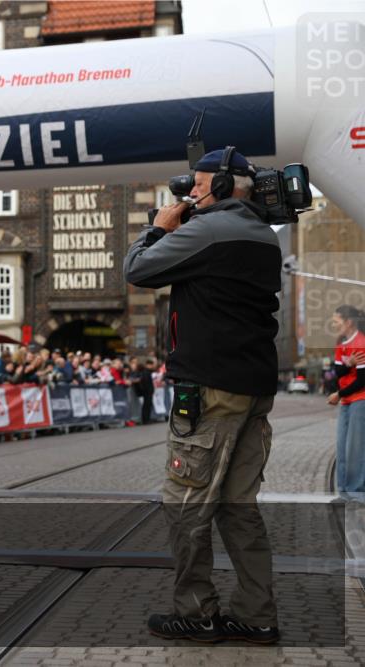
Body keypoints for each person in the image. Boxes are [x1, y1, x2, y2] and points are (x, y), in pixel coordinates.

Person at [125, 147, 282, 644]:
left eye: (196, 183)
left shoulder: (209, 230)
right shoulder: (263, 235)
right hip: (253, 388)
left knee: (186, 503)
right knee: (239, 506)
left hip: (210, 390)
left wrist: (160, 226)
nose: (187, 192)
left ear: (221, 186)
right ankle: (257, 615)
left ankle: (196, 612)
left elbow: (139, 270)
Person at [329, 306, 365, 493]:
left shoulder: (361, 342)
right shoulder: (341, 343)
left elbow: (362, 380)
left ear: (348, 322)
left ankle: (356, 493)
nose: (333, 325)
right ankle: (343, 491)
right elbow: (338, 372)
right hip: (346, 401)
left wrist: (338, 394)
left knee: (355, 450)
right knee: (342, 447)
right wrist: (348, 363)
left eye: (336, 321)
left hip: (360, 400)